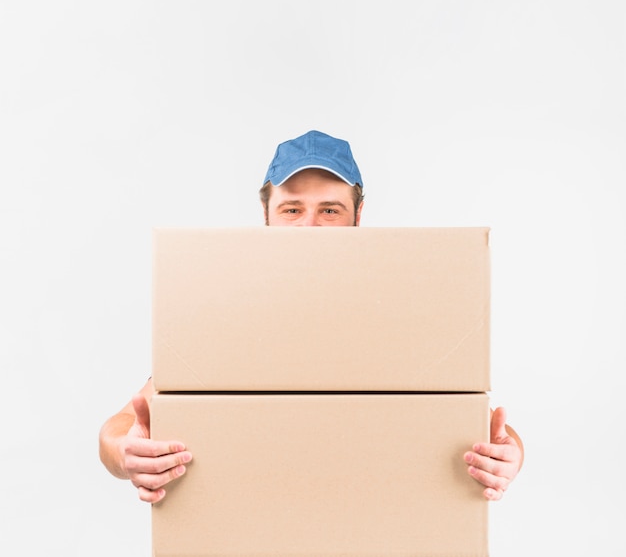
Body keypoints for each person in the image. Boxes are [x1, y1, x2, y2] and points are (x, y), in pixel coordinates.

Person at [99, 129, 524, 504]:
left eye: (329, 210)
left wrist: (510, 457)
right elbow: (119, 427)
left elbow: (482, 421)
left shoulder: (400, 311)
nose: (309, 227)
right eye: (292, 209)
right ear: (265, 216)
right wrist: (125, 452)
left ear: (358, 217)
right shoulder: (227, 315)